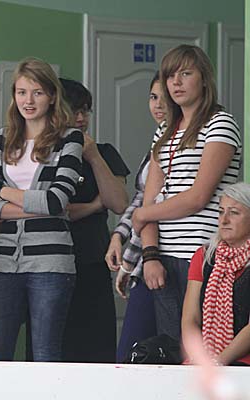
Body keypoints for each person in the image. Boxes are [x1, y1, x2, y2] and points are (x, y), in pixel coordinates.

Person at [0, 57, 83, 362]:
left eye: (37, 92)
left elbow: (56, 200)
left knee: (45, 354)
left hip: (51, 263)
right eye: (21, 92)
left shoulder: (69, 138)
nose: (28, 101)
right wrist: (41, 206)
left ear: (52, 96)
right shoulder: (2, 137)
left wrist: (4, 192)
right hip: (4, 263)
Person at [133, 44, 242, 342]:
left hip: (203, 253)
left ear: (204, 79)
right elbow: (151, 198)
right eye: (170, 76)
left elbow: (198, 196)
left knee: (205, 346)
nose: (176, 83)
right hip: (164, 256)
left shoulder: (221, 123)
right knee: (171, 346)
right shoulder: (165, 130)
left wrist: (142, 214)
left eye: (185, 74)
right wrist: (150, 255)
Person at [58, 78, 129, 363]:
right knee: (57, 349)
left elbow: (119, 203)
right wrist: (94, 205)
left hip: (93, 260)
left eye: (85, 111)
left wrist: (93, 156)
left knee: (97, 350)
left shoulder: (104, 152)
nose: (81, 118)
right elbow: (55, 209)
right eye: (74, 110)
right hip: (53, 263)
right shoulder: (46, 155)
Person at [106, 72, 164, 362]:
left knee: (141, 353)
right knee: (132, 355)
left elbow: (153, 208)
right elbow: (141, 199)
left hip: (164, 257)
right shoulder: (158, 141)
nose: (158, 105)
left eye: (165, 98)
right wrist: (119, 235)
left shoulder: (179, 143)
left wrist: (129, 261)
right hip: (144, 258)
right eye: (153, 97)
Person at [182, 182, 250, 366]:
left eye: (234, 213)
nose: (224, 220)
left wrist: (218, 361)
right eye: (221, 212)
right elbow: (190, 319)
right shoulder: (204, 256)